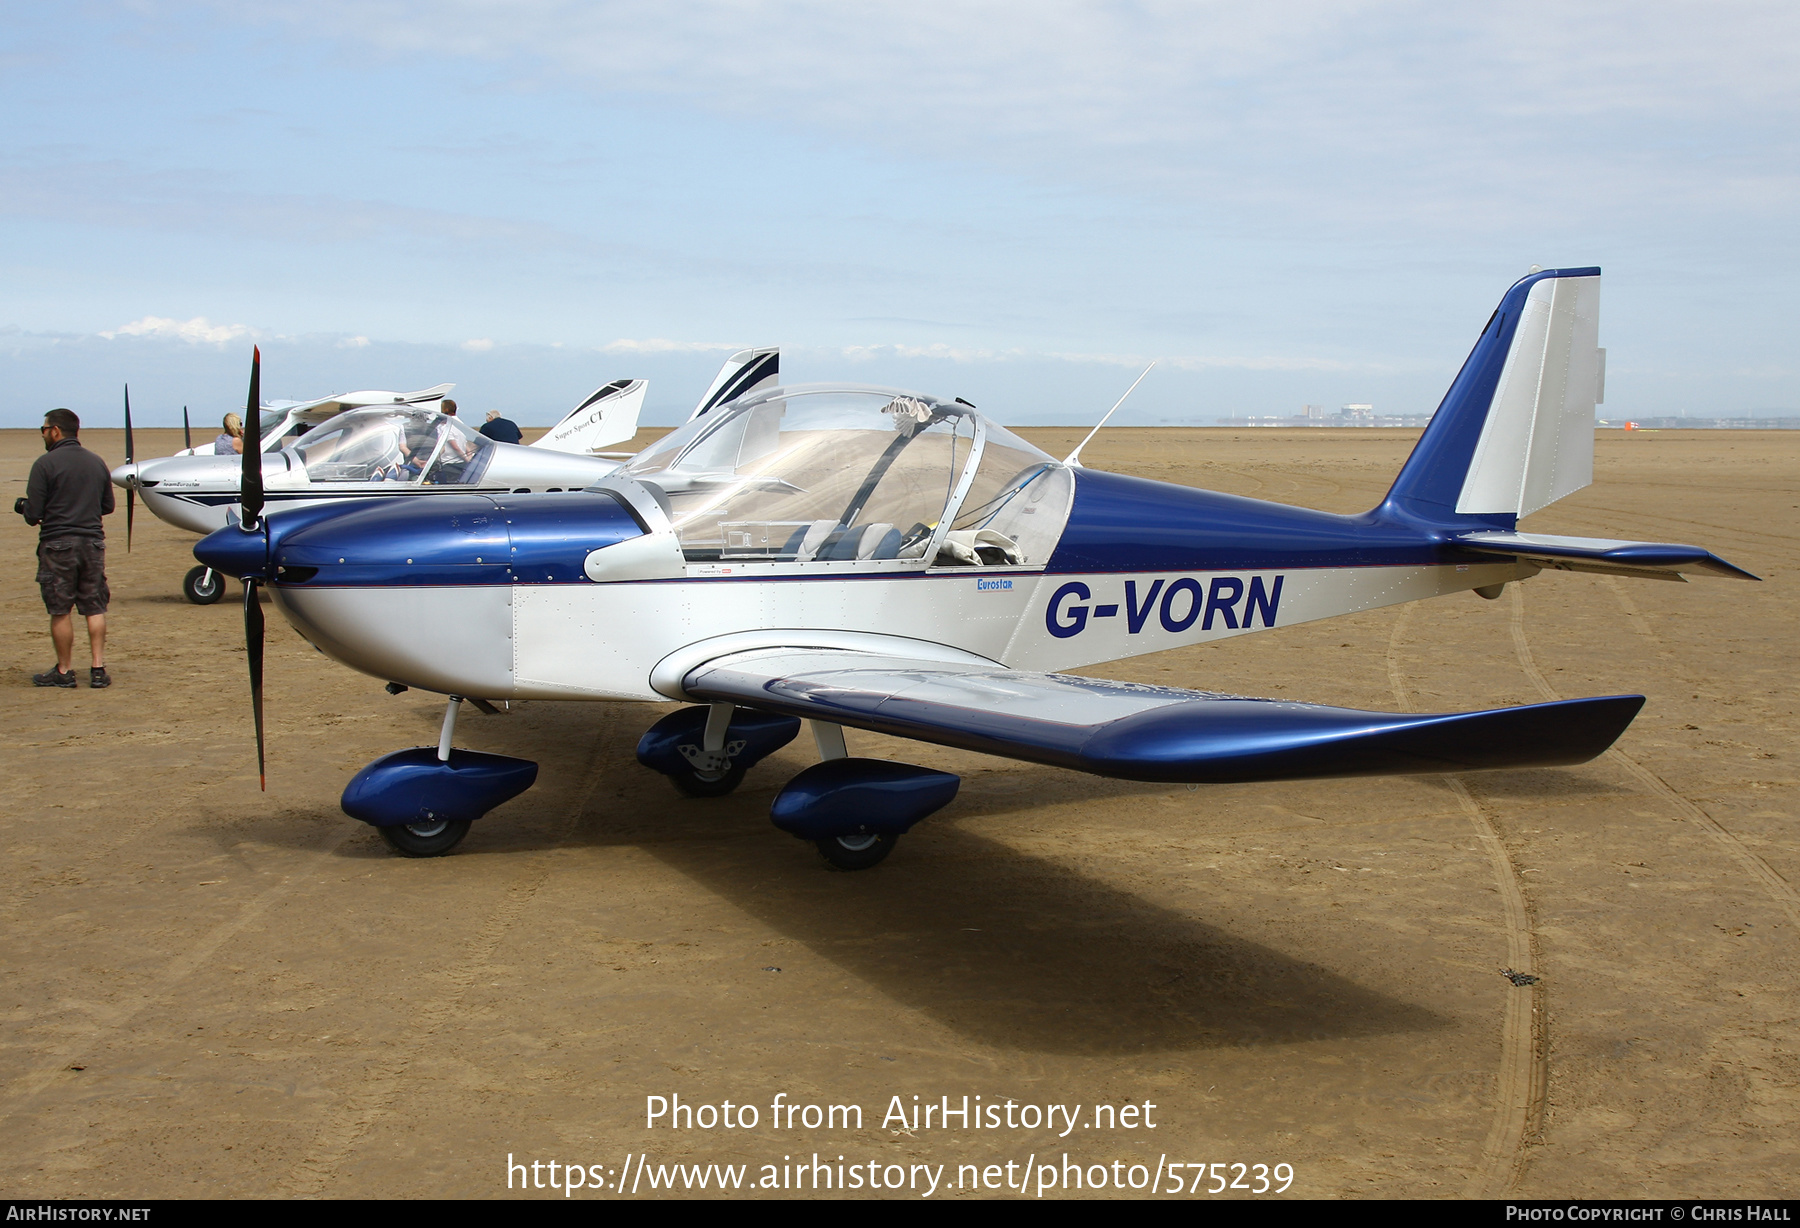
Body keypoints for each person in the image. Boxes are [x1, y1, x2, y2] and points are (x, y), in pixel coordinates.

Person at [21, 409, 114, 688]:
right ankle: (97, 668)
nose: (42, 433)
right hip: (92, 543)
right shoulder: (97, 463)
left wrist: (25, 507)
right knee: (94, 606)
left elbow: (32, 513)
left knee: (60, 609)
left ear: (56, 431)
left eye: (44, 428)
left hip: (58, 543)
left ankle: (64, 670)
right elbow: (107, 506)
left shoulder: (45, 464)